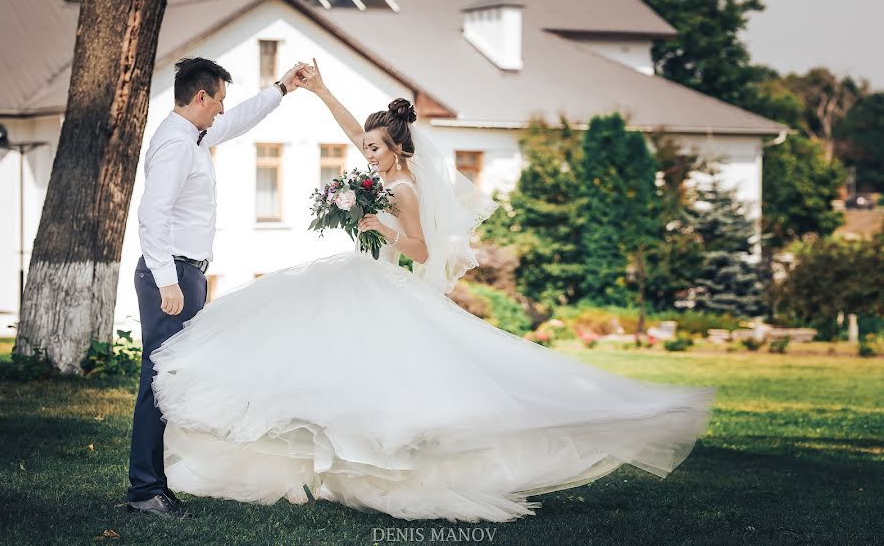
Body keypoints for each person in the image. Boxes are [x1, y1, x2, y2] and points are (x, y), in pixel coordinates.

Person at [147, 60, 715, 523]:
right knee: (329, 373)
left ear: (396, 151)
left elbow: (418, 250)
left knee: (388, 381)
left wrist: (378, 227)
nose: (363, 152)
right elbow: (353, 131)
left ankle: (388, 469)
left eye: (373, 148)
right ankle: (333, 468)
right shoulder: (376, 170)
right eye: (365, 148)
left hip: (384, 284)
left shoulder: (405, 189)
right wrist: (319, 91)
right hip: (354, 278)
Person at [126, 57, 308, 517]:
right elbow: (152, 215)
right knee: (159, 381)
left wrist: (282, 89)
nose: (223, 110)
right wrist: (168, 281)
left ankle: (154, 484)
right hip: (171, 275)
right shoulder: (175, 145)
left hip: (188, 273)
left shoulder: (194, 136)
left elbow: (240, 120)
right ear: (201, 97)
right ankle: (145, 489)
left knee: (171, 380)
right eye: (219, 100)